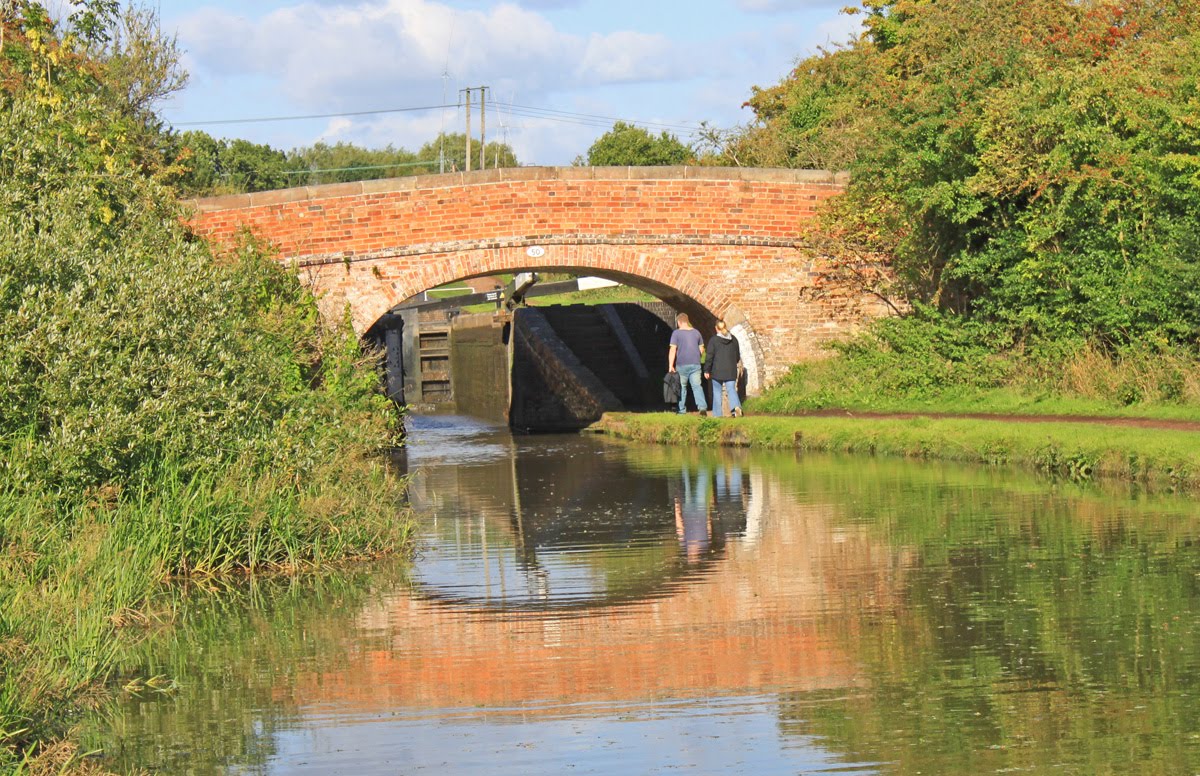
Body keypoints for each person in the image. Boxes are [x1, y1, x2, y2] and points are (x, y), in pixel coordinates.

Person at [667, 313, 707, 416]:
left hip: (682, 364)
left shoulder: (676, 333)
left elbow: (673, 349)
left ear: (679, 322)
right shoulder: (696, 332)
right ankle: (702, 407)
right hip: (695, 364)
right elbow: (702, 349)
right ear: (687, 321)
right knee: (697, 386)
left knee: (682, 387)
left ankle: (681, 410)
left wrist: (671, 365)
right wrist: (696, 357)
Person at [704, 319, 744, 417]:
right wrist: (732, 363)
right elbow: (737, 356)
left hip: (717, 370)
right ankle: (736, 407)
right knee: (731, 389)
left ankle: (717, 415)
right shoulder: (734, 339)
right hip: (731, 370)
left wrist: (707, 369)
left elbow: (709, 356)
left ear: (716, 328)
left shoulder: (713, 340)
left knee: (717, 392)